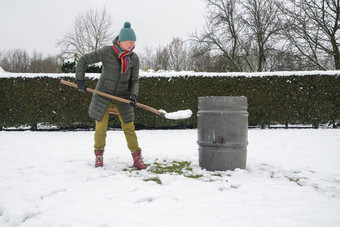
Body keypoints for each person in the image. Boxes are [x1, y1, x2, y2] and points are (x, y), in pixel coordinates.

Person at [75, 22, 146, 170]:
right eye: (129, 42)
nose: (132, 45)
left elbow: (134, 80)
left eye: (134, 42)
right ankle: (99, 156)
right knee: (101, 127)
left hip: (123, 96)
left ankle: (137, 157)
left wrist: (133, 95)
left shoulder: (134, 59)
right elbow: (83, 60)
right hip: (103, 95)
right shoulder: (107, 52)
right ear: (120, 41)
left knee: (129, 127)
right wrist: (80, 80)